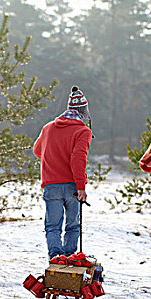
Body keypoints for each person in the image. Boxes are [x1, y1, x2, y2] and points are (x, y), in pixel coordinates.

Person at [33, 85, 93, 260]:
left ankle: (56, 258)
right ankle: (70, 260)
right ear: (83, 112)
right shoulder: (83, 131)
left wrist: (53, 160)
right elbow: (78, 159)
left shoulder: (48, 128)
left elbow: (38, 151)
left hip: (51, 185)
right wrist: (81, 187)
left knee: (53, 226)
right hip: (73, 186)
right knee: (73, 226)